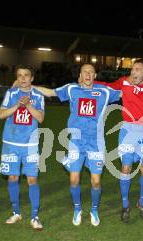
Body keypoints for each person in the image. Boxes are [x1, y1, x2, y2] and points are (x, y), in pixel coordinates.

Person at [35, 64, 122, 226]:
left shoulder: (105, 91)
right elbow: (50, 92)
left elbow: (128, 91)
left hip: (96, 143)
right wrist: (29, 86)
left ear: (95, 75)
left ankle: (94, 210)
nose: (88, 74)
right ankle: (77, 209)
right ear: (80, 76)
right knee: (74, 180)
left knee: (96, 181)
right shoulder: (71, 89)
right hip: (76, 141)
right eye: (85, 72)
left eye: (91, 71)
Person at [95, 59, 143, 223]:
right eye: (133, 69)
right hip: (127, 130)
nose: (134, 72)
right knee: (126, 168)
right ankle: (125, 205)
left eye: (138, 70)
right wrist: (91, 81)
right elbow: (107, 85)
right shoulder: (124, 82)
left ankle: (141, 203)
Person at [0, 65, 45, 230]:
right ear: (17, 78)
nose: (23, 78)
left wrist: (28, 105)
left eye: (26, 75)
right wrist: (18, 106)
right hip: (11, 143)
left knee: (32, 179)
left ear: (32, 78)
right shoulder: (11, 94)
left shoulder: (38, 96)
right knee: (13, 178)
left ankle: (34, 216)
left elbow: (40, 118)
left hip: (30, 145)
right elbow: (1, 114)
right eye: (20, 75)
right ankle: (16, 212)